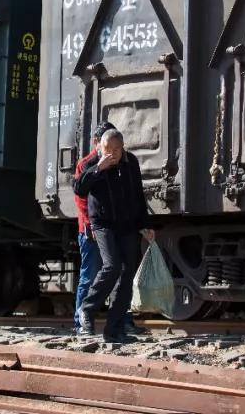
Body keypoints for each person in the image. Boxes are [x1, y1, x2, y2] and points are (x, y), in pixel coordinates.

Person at [73, 129, 155, 343]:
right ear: (100, 147)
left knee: (127, 273)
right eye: (107, 149)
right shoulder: (92, 164)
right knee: (112, 266)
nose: (111, 154)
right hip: (102, 224)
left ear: (122, 148)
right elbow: (79, 189)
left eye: (116, 150)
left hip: (127, 224)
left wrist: (144, 225)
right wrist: (98, 169)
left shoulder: (131, 163)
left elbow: (138, 194)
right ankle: (87, 310)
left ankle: (114, 329)